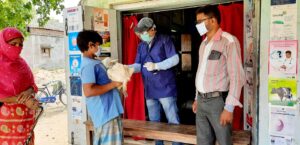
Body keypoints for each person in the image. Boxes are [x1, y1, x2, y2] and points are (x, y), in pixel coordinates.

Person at [192, 5, 245, 145]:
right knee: (203, 142)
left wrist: (229, 108)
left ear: (213, 21)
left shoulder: (228, 41)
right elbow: (201, 72)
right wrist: (197, 98)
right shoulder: (203, 44)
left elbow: (237, 77)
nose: (197, 25)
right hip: (202, 103)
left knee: (224, 142)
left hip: (218, 103)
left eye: (200, 21)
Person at [129, 17, 182, 145]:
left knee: (173, 121)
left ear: (153, 29)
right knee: (154, 123)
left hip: (165, 88)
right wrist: (126, 68)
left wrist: (157, 65)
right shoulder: (141, 46)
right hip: (150, 89)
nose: (142, 35)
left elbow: (175, 59)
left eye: (144, 31)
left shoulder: (165, 40)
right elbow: (138, 66)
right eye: (140, 32)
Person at [77, 30, 124, 145]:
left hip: (110, 111)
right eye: (97, 45)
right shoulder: (88, 65)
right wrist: (113, 84)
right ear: (90, 45)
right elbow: (88, 91)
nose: (99, 48)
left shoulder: (94, 62)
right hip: (105, 114)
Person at [0, 27, 40, 145]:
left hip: (25, 121)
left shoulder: (21, 63)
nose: (17, 48)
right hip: (5, 124)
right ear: (3, 43)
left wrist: (29, 92)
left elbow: (32, 85)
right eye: (13, 44)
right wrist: (22, 100)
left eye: (20, 44)